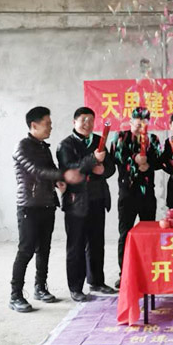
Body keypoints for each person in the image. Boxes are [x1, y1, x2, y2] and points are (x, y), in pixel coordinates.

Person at [10, 106, 83, 313]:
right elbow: (37, 171)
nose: (51, 127)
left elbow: (51, 170)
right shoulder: (22, 147)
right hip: (29, 206)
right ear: (34, 125)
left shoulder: (43, 147)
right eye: (47, 124)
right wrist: (64, 176)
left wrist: (58, 181)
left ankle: (40, 287)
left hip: (47, 204)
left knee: (44, 249)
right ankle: (15, 295)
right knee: (26, 250)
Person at [57, 107, 116, 301]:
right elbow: (70, 170)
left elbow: (111, 168)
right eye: (83, 120)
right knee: (76, 246)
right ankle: (75, 287)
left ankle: (97, 281)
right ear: (74, 122)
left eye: (91, 120)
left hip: (97, 199)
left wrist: (102, 169)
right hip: (76, 203)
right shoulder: (65, 145)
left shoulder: (100, 141)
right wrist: (93, 160)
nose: (87, 124)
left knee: (97, 243)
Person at [110, 106, 162, 289]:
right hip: (128, 193)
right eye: (138, 124)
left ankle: (149, 271)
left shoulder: (153, 139)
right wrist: (134, 158)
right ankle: (124, 273)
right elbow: (115, 156)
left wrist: (149, 164)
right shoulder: (120, 137)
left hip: (147, 193)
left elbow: (160, 160)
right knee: (125, 234)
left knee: (149, 234)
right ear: (131, 122)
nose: (141, 128)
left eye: (144, 124)